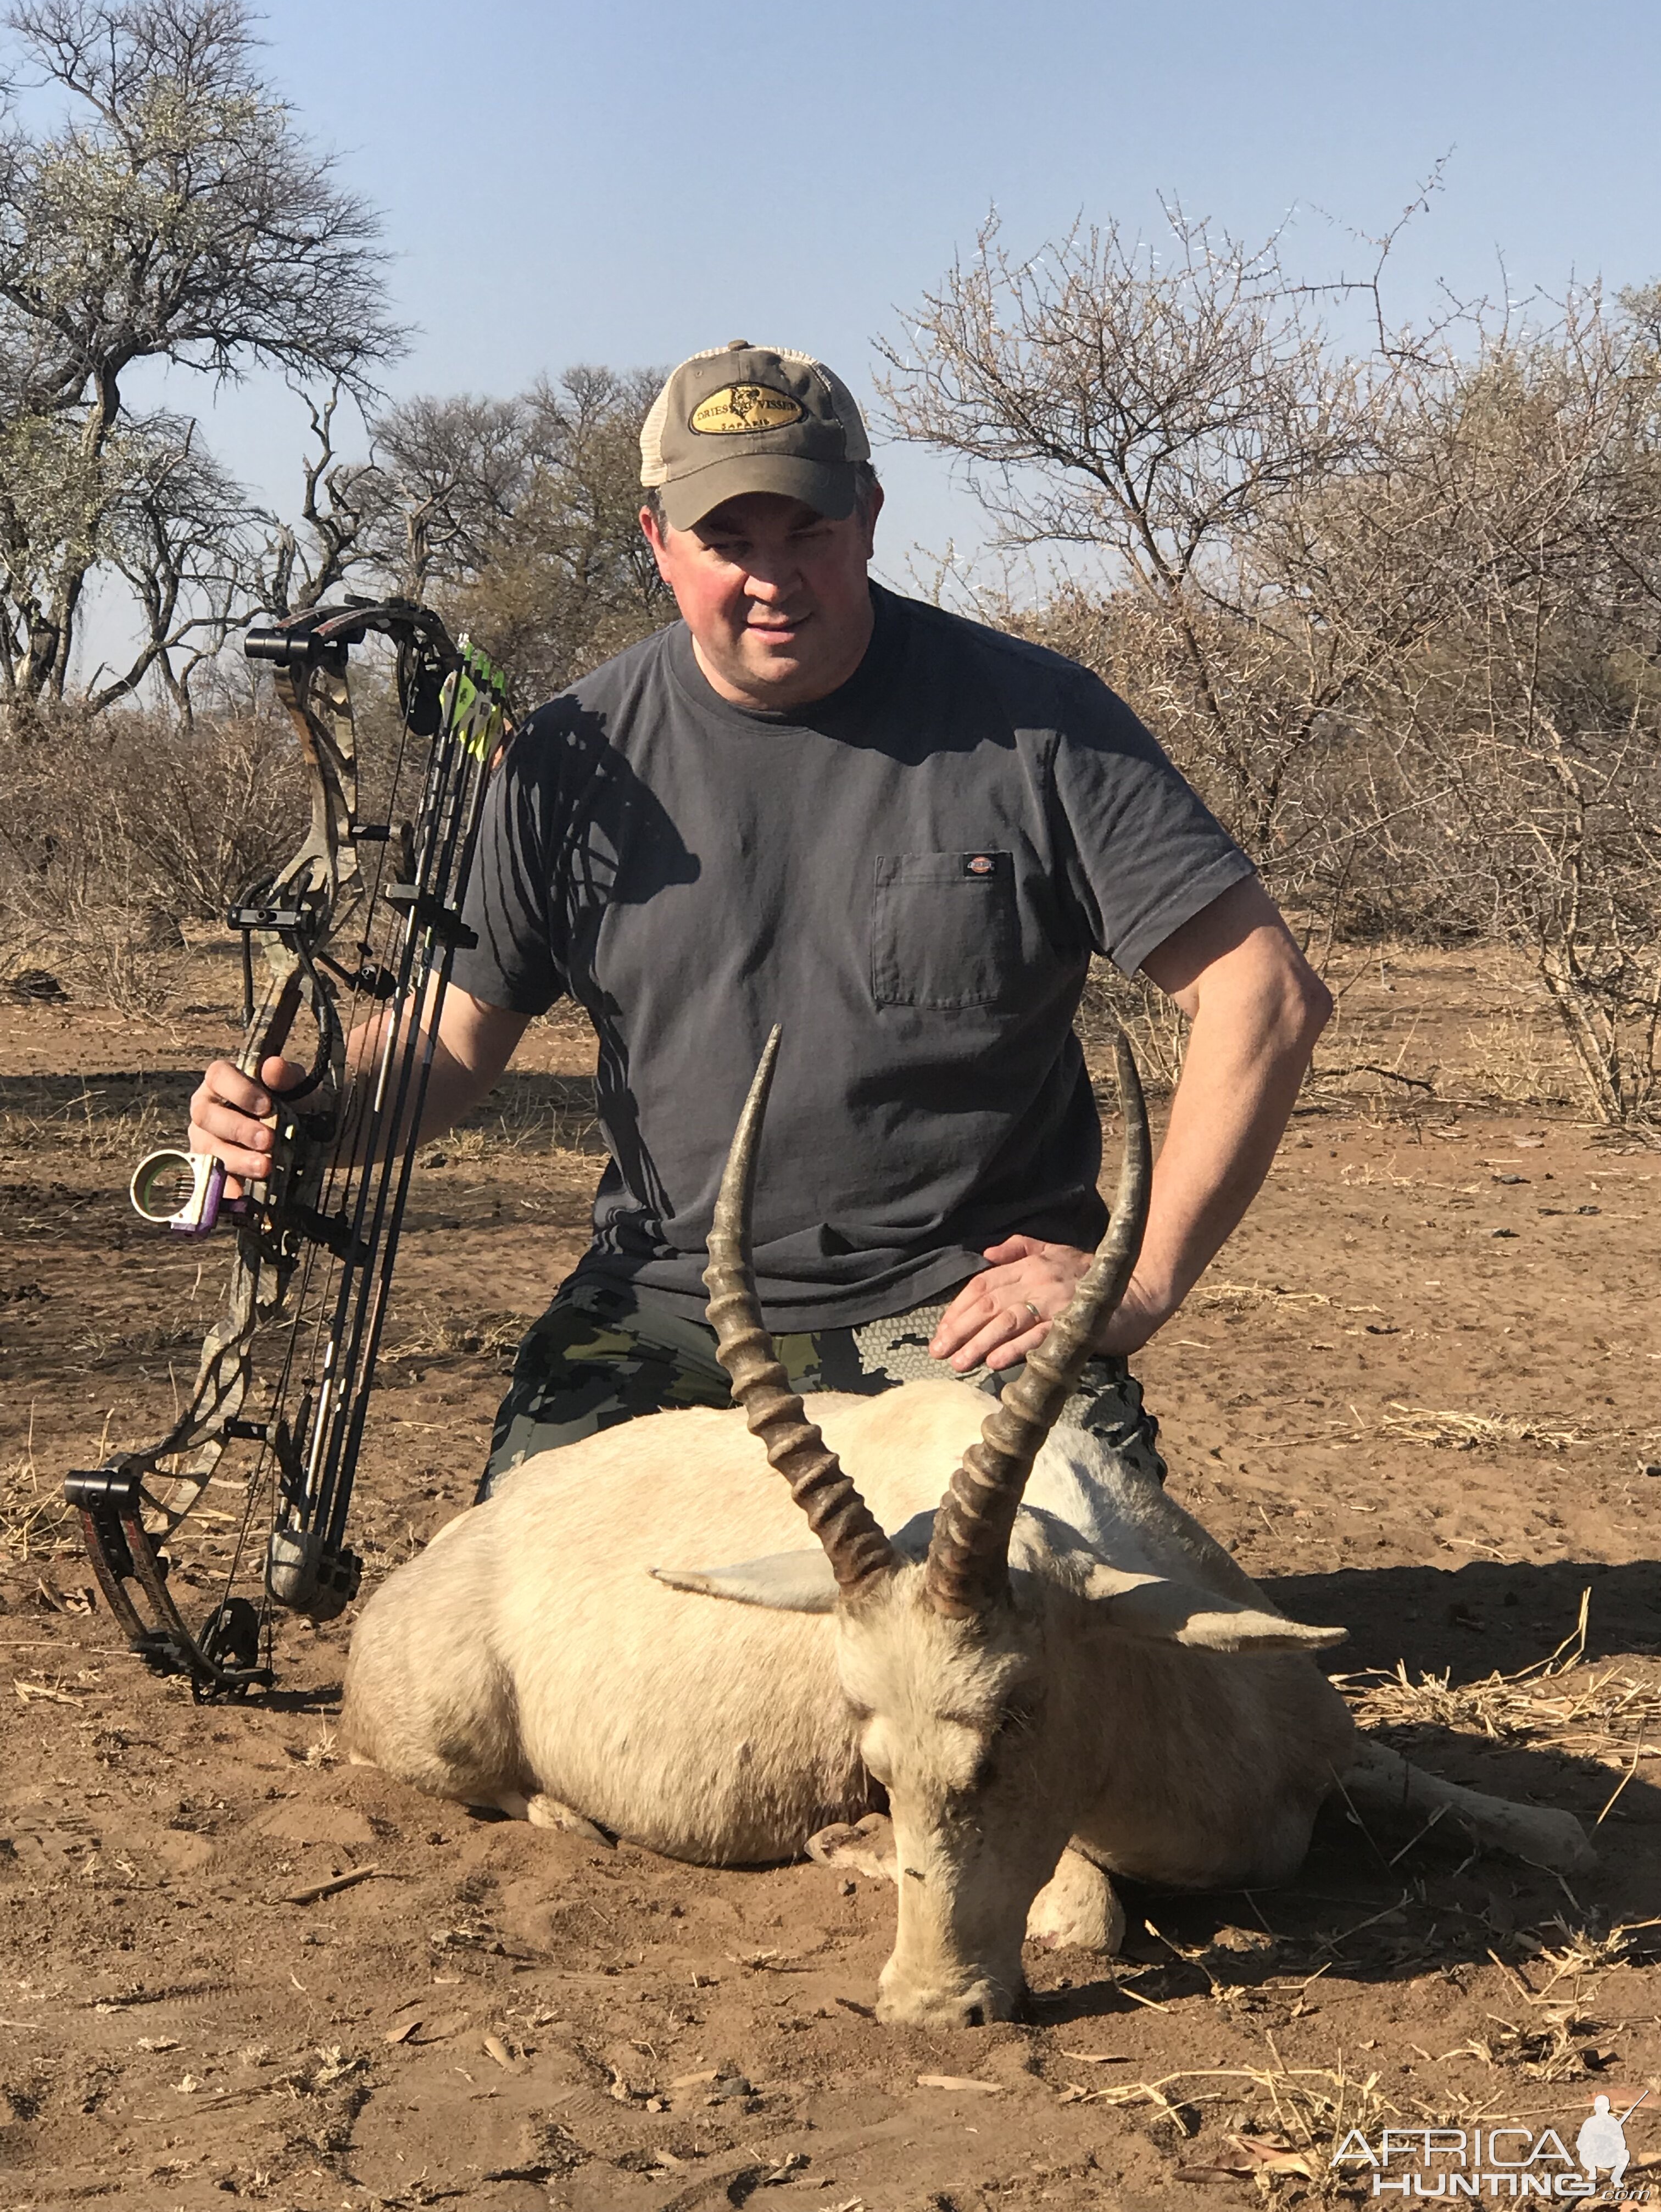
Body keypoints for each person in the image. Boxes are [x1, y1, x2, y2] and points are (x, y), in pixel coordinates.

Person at [188, 340, 1331, 1501]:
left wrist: (1134, 1281)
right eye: (728, 540)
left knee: (1054, 1629)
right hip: (664, 1307)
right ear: (658, 546)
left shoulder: (1044, 724)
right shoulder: (562, 760)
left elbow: (1264, 995)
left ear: (870, 516)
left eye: (809, 533)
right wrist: (304, 1109)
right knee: (533, 1613)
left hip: (958, 1309)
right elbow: (448, 1040)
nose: (772, 578)